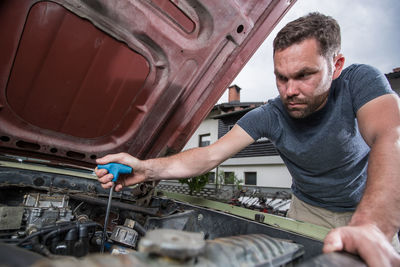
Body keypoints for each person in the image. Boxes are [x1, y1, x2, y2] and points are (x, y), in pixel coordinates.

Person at [95, 12, 400, 266]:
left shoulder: (361, 82)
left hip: (369, 208)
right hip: (306, 210)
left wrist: (373, 224)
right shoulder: (270, 114)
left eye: (303, 75)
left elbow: (390, 137)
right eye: (281, 77)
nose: (289, 90)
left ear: (335, 66)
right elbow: (208, 156)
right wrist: (147, 168)